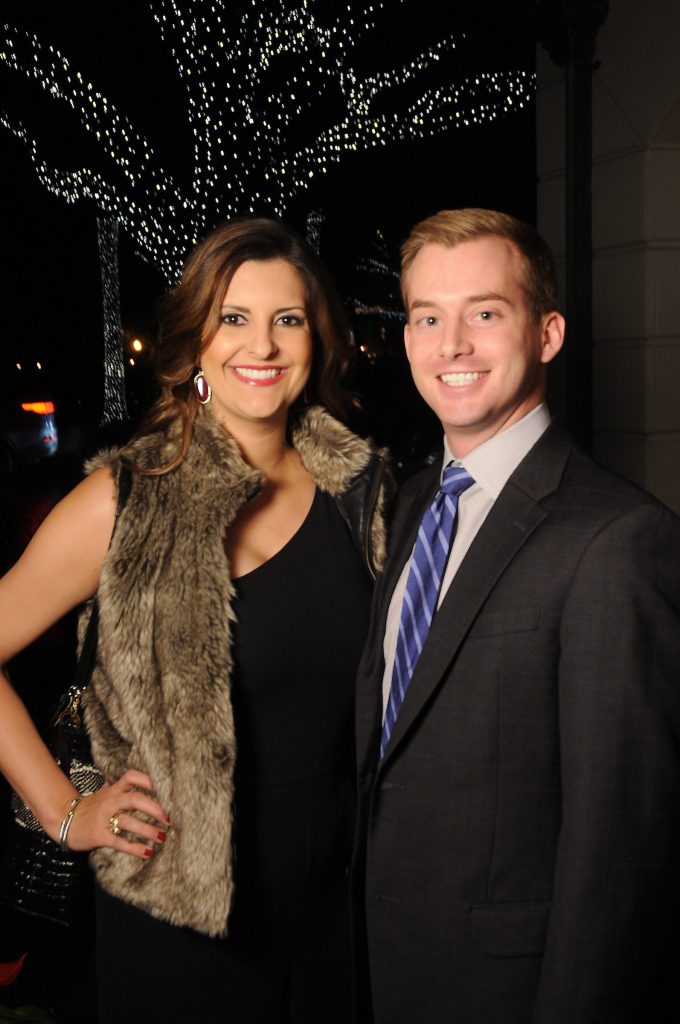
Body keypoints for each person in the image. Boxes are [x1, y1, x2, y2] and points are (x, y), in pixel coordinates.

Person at [0, 218, 390, 1023]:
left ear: (316, 339)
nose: (263, 345)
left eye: (288, 319)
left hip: (340, 909)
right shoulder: (124, 501)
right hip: (177, 920)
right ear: (196, 345)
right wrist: (65, 812)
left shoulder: (363, 496)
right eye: (234, 318)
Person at [353, 208, 680, 1024]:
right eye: (429, 318)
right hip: (383, 967)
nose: (452, 345)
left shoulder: (618, 539)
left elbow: (620, 852)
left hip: (507, 992)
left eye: (486, 313)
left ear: (547, 334)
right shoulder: (416, 500)